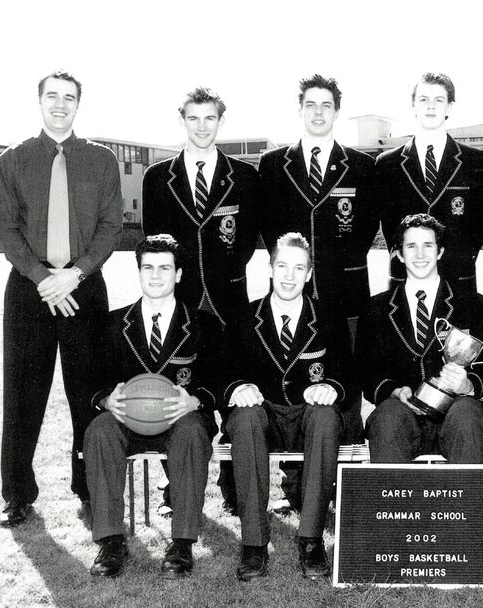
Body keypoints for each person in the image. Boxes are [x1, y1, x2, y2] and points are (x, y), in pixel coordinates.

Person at [0, 70, 123, 527]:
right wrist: (43, 278)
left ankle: (89, 488)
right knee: (22, 396)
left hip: (84, 287)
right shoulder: (14, 159)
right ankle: (17, 494)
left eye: (69, 97)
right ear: (40, 101)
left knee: (88, 394)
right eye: (52, 96)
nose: (60, 104)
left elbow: (111, 226)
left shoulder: (101, 160)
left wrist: (76, 273)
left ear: (78, 104)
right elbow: (5, 229)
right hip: (29, 290)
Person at [143, 86, 265, 515]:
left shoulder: (244, 176)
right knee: (179, 391)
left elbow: (247, 239)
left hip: (229, 300)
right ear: (182, 121)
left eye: (209, 118)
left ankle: (234, 490)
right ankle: (175, 490)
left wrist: (221, 273)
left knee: (236, 391)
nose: (201, 126)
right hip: (181, 302)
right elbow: (156, 242)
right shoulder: (158, 177)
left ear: (220, 121)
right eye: (193, 118)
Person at [258, 75, 376, 512]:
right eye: (311, 104)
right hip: (292, 295)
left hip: (347, 298)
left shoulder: (361, 166)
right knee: (294, 386)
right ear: (300, 109)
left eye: (327, 105)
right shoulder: (273, 165)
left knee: (344, 392)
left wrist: (330, 266)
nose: (319, 112)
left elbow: (365, 228)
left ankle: (345, 488)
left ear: (337, 112)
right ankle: (296, 489)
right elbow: (271, 229)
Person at [84, 235, 223, 579]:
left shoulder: (203, 323)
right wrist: (105, 399)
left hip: (181, 418)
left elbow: (219, 380)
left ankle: (182, 542)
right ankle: (111, 541)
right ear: (139, 273)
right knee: (99, 429)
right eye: (148, 268)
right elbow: (90, 380)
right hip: (129, 420)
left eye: (165, 268)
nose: (156, 275)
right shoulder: (114, 323)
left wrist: (196, 399)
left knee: (192, 430)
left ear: (179, 274)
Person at [223, 233, 352, 581]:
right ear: (269, 268)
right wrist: (238, 387)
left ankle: (311, 539)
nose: (289, 276)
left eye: (298, 268)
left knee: (326, 417)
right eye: (282, 266)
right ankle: (253, 543)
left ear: (309, 274)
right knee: (244, 418)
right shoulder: (244, 316)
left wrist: (331, 386)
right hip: (264, 415)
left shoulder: (327, 316)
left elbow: (349, 374)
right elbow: (223, 370)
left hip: (307, 415)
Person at [357, 214, 483, 464]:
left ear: (440, 251)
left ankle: (467, 492)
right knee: (387, 417)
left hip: (456, 411)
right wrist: (394, 391)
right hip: (402, 413)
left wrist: (468, 385)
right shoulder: (376, 307)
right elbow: (368, 372)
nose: (420, 254)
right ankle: (391, 492)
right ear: (399, 254)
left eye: (428, 246)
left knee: (468, 415)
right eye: (411, 246)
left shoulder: (470, 303)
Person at [374, 73, 483, 294]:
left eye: (439, 100)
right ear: (413, 106)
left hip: (458, 280)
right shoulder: (388, 163)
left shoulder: (474, 160)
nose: (430, 106)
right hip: (405, 279)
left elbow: (478, 226)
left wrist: (459, 260)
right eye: (423, 99)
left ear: (450, 107)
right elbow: (388, 226)